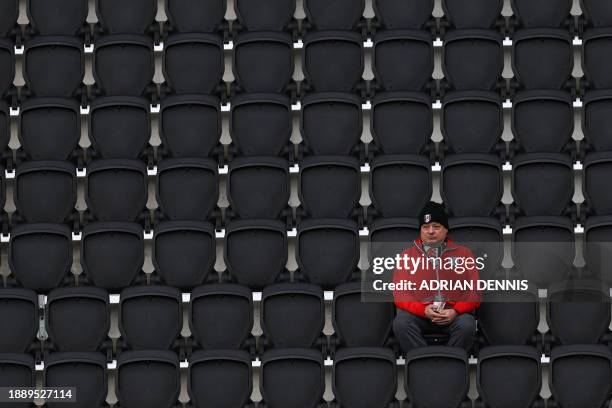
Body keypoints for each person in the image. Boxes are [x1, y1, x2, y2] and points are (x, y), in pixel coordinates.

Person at [392, 201, 480, 353]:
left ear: (446, 230)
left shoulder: (464, 254)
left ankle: (450, 362)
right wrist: (423, 310)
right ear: (420, 230)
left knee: (467, 325)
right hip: (420, 315)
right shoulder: (407, 256)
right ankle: (424, 362)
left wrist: (456, 311)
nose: (430, 231)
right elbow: (400, 294)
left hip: (453, 313)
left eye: (436, 226)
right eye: (425, 227)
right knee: (401, 323)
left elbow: (474, 292)